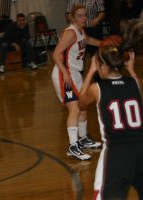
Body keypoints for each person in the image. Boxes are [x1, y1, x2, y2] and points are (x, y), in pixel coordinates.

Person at [78, 36, 143, 199]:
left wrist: (91, 70)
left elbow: (81, 103)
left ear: (103, 66)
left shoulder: (97, 88)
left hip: (116, 152)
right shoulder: (135, 82)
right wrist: (131, 69)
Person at [51, 5, 102, 160]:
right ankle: (73, 146)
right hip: (64, 74)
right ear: (72, 18)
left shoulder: (81, 31)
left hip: (75, 74)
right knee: (74, 107)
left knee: (83, 105)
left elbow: (89, 40)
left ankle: (83, 139)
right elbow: (55, 54)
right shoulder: (70, 33)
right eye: (79, 16)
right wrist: (65, 73)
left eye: (85, 15)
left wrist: (105, 43)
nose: (83, 18)